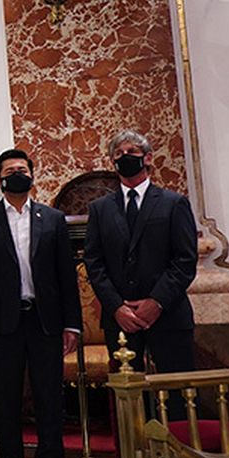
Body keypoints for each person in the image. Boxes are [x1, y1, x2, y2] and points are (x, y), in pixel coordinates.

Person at [0, 149, 81, 458]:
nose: (17, 174)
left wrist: (73, 325)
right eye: (9, 170)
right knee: (7, 403)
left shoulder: (52, 219)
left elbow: (67, 277)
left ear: (32, 175)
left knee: (50, 402)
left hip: (45, 322)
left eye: (22, 169)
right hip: (4, 324)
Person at [84, 130, 198, 374]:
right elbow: (94, 263)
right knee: (130, 401)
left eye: (132, 152)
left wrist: (156, 302)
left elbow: (185, 259)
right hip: (120, 319)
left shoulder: (173, 203)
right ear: (113, 162)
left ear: (147, 158)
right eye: (119, 153)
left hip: (168, 314)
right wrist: (116, 307)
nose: (125, 156)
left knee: (177, 396)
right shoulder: (100, 209)